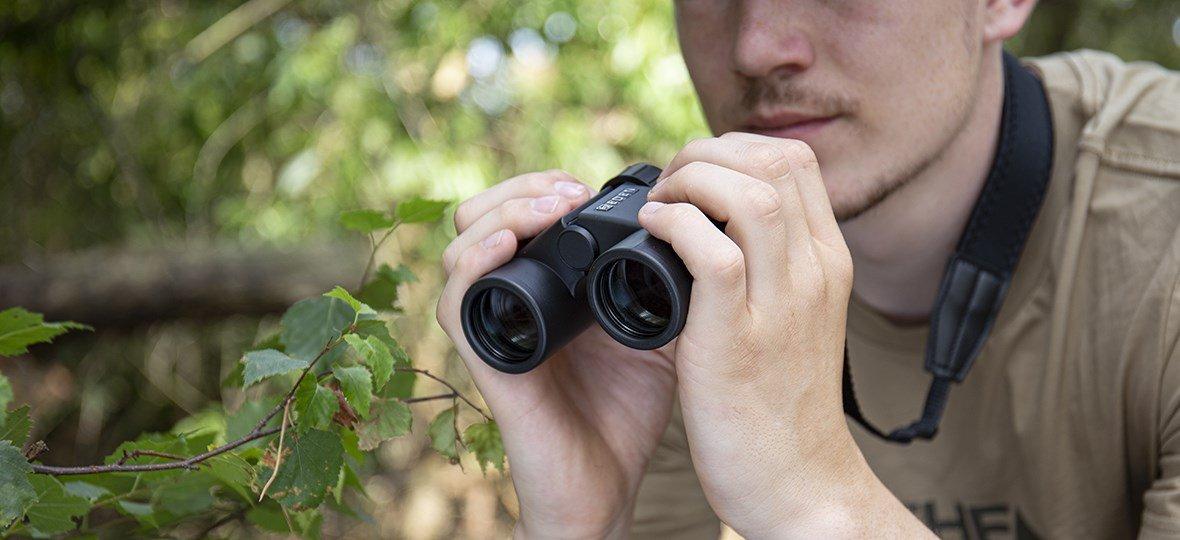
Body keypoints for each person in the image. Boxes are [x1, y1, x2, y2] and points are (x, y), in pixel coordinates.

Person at [435, 0, 1180, 537]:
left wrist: (816, 500)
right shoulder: (670, 284)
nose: (756, 44)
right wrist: (588, 526)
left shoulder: (1161, 240)